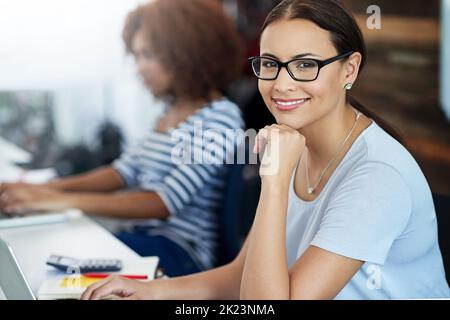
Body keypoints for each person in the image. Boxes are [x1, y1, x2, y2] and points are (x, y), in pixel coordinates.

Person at [80, 0, 450, 300]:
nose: (282, 85)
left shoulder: (375, 176)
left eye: (306, 65)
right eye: (270, 64)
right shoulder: (294, 143)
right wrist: (149, 291)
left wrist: (273, 181)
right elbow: (241, 275)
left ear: (349, 70)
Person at [0, 0, 244, 277]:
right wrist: (49, 189)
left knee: (56, 269)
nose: (139, 68)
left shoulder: (220, 118)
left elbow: (164, 202)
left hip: (181, 254)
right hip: (145, 238)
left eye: (148, 55)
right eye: (137, 56)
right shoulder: (168, 113)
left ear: (185, 52)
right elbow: (122, 172)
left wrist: (57, 200)